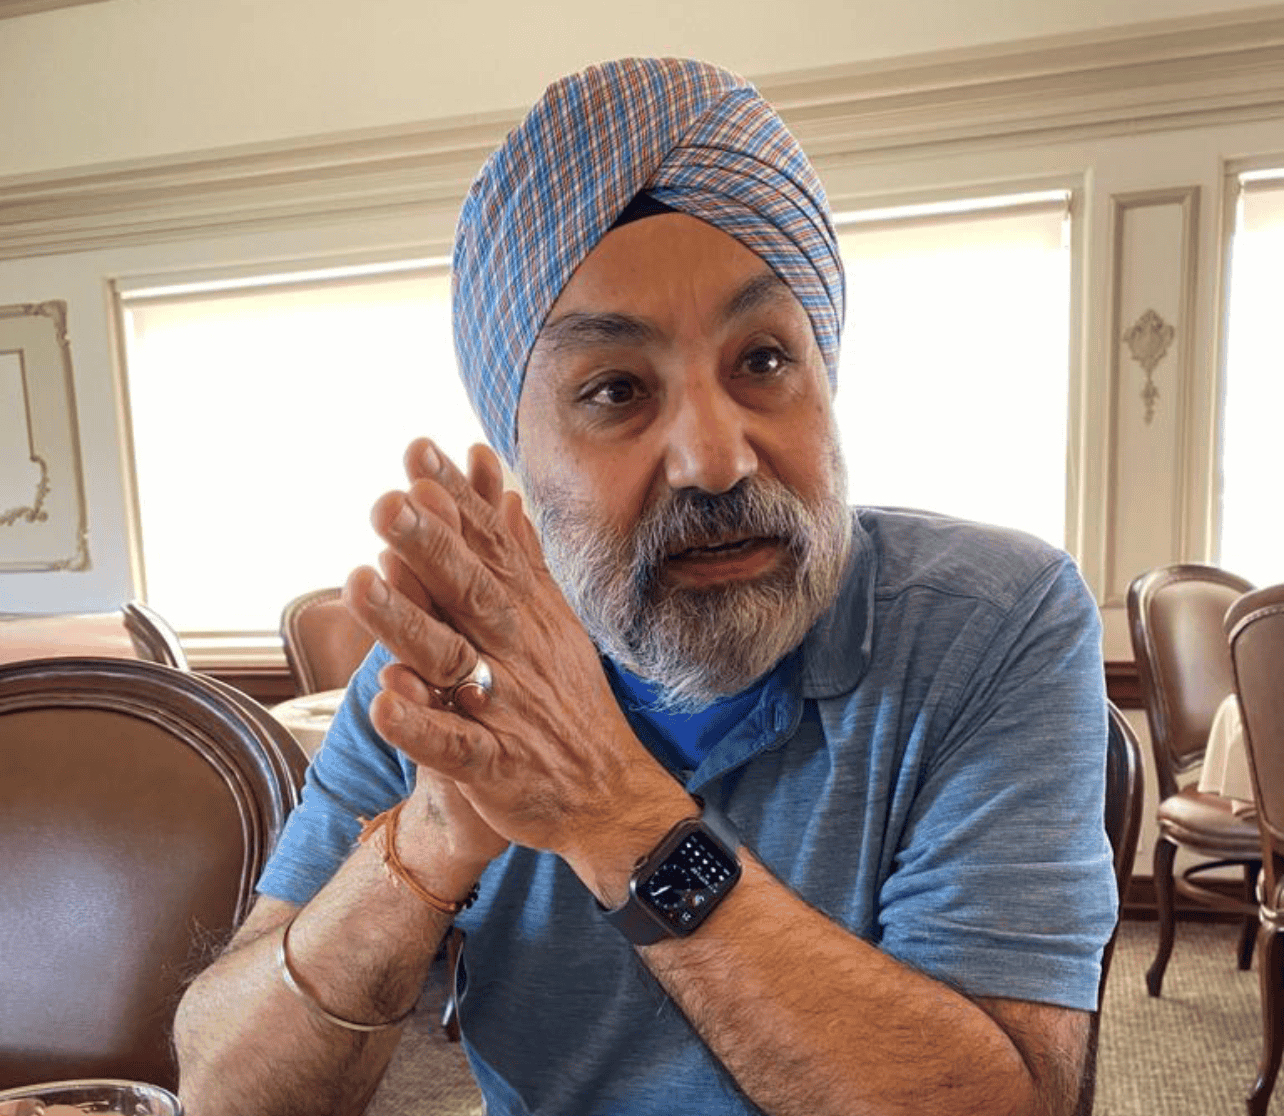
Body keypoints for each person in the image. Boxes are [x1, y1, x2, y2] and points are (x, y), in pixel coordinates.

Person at [174, 57, 1116, 1116]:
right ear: (519, 462)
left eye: (765, 361)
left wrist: (612, 812)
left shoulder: (994, 624)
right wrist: (432, 839)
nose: (715, 459)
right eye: (617, 389)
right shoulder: (447, 688)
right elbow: (226, 1092)